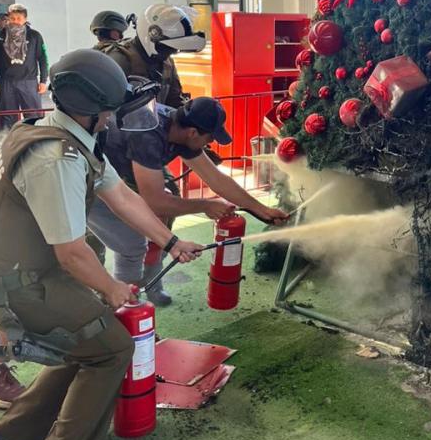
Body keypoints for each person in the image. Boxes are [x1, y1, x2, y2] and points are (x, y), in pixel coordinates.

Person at [0, 49, 202, 440]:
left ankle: (13, 439)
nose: (116, 117)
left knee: (86, 339)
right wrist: (113, 289)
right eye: (112, 109)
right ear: (92, 108)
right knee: (112, 347)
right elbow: (73, 254)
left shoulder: (61, 134)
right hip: (12, 286)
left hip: (17, 275)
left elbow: (122, 199)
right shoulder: (55, 159)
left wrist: (169, 241)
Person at [88, 95, 287, 305]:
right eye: (210, 138)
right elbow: (155, 200)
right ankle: (124, 312)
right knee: (131, 244)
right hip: (90, 178)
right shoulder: (148, 135)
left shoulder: (179, 129)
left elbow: (216, 179)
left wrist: (262, 209)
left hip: (118, 176)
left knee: (157, 226)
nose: (209, 144)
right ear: (193, 133)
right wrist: (205, 205)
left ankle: (147, 288)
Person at [101, 3, 204, 107]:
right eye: (168, 47)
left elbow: (174, 100)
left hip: (154, 122)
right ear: (152, 36)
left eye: (174, 48)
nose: (171, 51)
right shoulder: (120, 59)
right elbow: (106, 111)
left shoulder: (167, 63)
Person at [0, 4, 49, 130]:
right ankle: (7, 145)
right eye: (12, 18)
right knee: (7, 118)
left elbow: (43, 59)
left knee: (34, 116)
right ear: (9, 19)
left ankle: (34, 144)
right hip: (7, 82)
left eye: (19, 18)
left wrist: (44, 80)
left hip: (29, 82)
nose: (15, 21)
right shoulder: (1, 36)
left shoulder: (34, 36)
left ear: (25, 19)